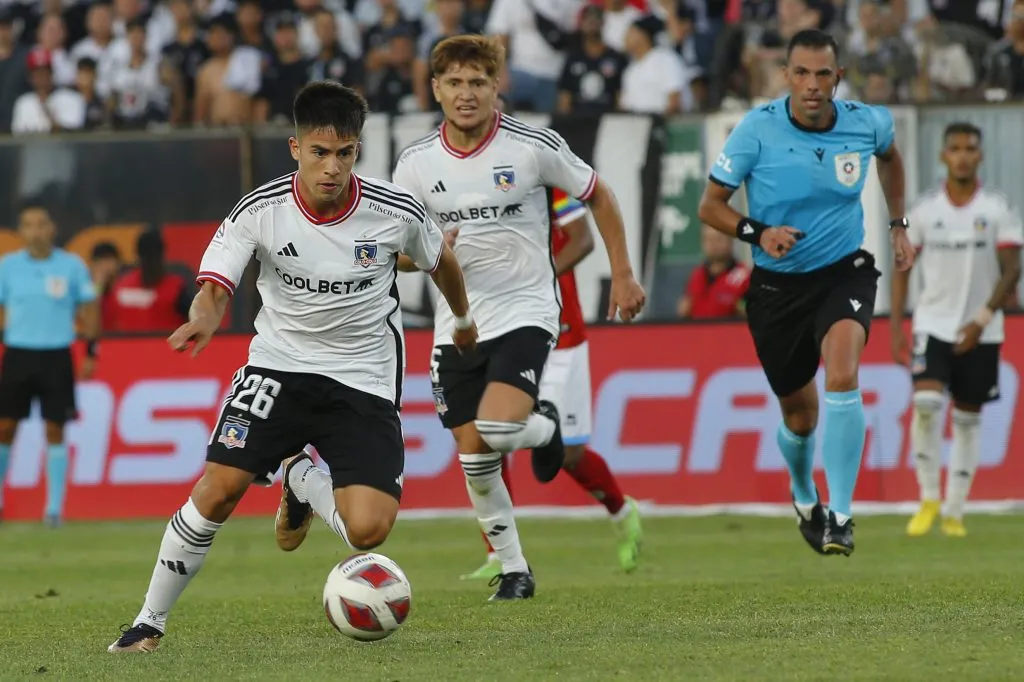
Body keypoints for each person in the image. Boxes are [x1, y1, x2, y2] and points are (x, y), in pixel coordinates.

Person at [107, 81, 474, 654]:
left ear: (358, 150)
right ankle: (148, 622)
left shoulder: (395, 210)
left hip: (363, 375)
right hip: (279, 366)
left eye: (345, 153)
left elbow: (440, 260)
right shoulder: (260, 209)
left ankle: (299, 478)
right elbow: (215, 284)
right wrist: (205, 314)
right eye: (320, 152)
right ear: (295, 147)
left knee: (367, 532)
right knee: (219, 488)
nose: (333, 167)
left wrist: (464, 317)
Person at [392, 35, 645, 600]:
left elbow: (599, 195)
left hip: (526, 307)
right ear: (435, 89)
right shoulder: (414, 165)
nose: (466, 94)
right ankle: (514, 570)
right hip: (457, 321)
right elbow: (397, 255)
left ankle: (546, 425)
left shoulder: (531, 146)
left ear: (496, 86)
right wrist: (433, 251)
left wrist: (623, 272)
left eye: (478, 82)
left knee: (500, 429)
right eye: (454, 82)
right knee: (474, 455)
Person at [697, 29, 915, 557]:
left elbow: (891, 159)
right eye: (802, 73)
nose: (813, 85)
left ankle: (841, 515)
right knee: (800, 416)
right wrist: (758, 233)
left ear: (838, 77)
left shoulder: (868, 122)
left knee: (842, 374)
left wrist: (897, 224)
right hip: (776, 286)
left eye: (823, 74)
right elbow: (710, 206)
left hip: (844, 271)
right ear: (786, 76)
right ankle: (803, 493)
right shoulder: (756, 130)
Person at [461, 187, 643, 581]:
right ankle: (498, 553)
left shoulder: (546, 180)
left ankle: (622, 512)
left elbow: (582, 239)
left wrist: (532, 278)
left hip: (561, 332)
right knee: (489, 434)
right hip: (498, 329)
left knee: (568, 456)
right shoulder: (466, 186)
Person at [890, 122, 1022, 538]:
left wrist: (981, 319)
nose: (963, 155)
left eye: (970, 148)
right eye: (955, 149)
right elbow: (903, 265)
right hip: (933, 323)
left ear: (980, 156)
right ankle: (928, 498)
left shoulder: (997, 207)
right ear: (943, 156)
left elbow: (1013, 269)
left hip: (981, 328)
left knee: (967, 420)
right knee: (927, 406)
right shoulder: (925, 209)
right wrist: (897, 326)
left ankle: (955, 510)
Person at [0, 202, 99, 526]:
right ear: (21, 231)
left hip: (56, 354)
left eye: (41, 223)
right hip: (18, 353)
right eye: (28, 224)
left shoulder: (71, 266)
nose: (36, 230)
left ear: (52, 228)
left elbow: (89, 307)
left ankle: (54, 509)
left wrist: (91, 350)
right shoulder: (8, 266)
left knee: (55, 428)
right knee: (5, 427)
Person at [106, 229, 191, 333]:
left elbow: (192, 323)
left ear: (161, 256)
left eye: (153, 257)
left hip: (166, 347)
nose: (150, 263)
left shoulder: (177, 290)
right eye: (146, 257)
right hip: (127, 348)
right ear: (138, 256)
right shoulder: (121, 287)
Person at [676, 224, 751, 319]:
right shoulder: (696, 275)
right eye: (708, 240)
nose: (714, 244)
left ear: (730, 241)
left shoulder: (745, 277)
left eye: (718, 239)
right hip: (698, 332)